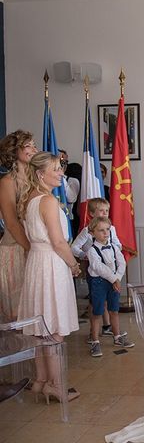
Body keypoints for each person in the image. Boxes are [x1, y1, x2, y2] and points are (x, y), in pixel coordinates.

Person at [17, 151, 82, 403]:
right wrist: (74, 265)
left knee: (41, 328)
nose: (61, 173)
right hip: (50, 264)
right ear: (40, 173)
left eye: (60, 168)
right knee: (53, 328)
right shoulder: (48, 201)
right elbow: (57, 241)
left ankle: (41, 380)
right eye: (56, 169)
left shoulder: (28, 199)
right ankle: (55, 384)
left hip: (36, 263)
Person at [0, 130, 37, 323]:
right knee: (17, 313)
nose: (34, 149)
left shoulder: (35, 179)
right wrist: (30, 249)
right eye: (29, 145)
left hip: (35, 247)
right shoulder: (7, 182)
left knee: (35, 309)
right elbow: (12, 223)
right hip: (15, 249)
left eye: (34, 145)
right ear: (16, 150)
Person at [72, 197, 121, 339]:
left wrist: (114, 250)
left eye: (107, 210)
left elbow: (118, 243)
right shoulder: (87, 231)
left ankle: (107, 327)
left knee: (110, 299)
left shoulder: (111, 229)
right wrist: (84, 255)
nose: (105, 213)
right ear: (92, 213)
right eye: (101, 211)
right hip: (94, 270)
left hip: (111, 268)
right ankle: (94, 333)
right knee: (97, 300)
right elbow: (74, 247)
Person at [86, 216, 134, 358]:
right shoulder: (92, 250)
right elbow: (98, 267)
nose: (105, 233)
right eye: (101, 230)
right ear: (92, 233)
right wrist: (114, 279)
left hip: (114, 282)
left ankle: (117, 336)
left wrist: (117, 278)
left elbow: (122, 263)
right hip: (99, 283)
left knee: (114, 310)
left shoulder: (113, 247)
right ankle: (95, 341)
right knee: (97, 312)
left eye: (107, 229)